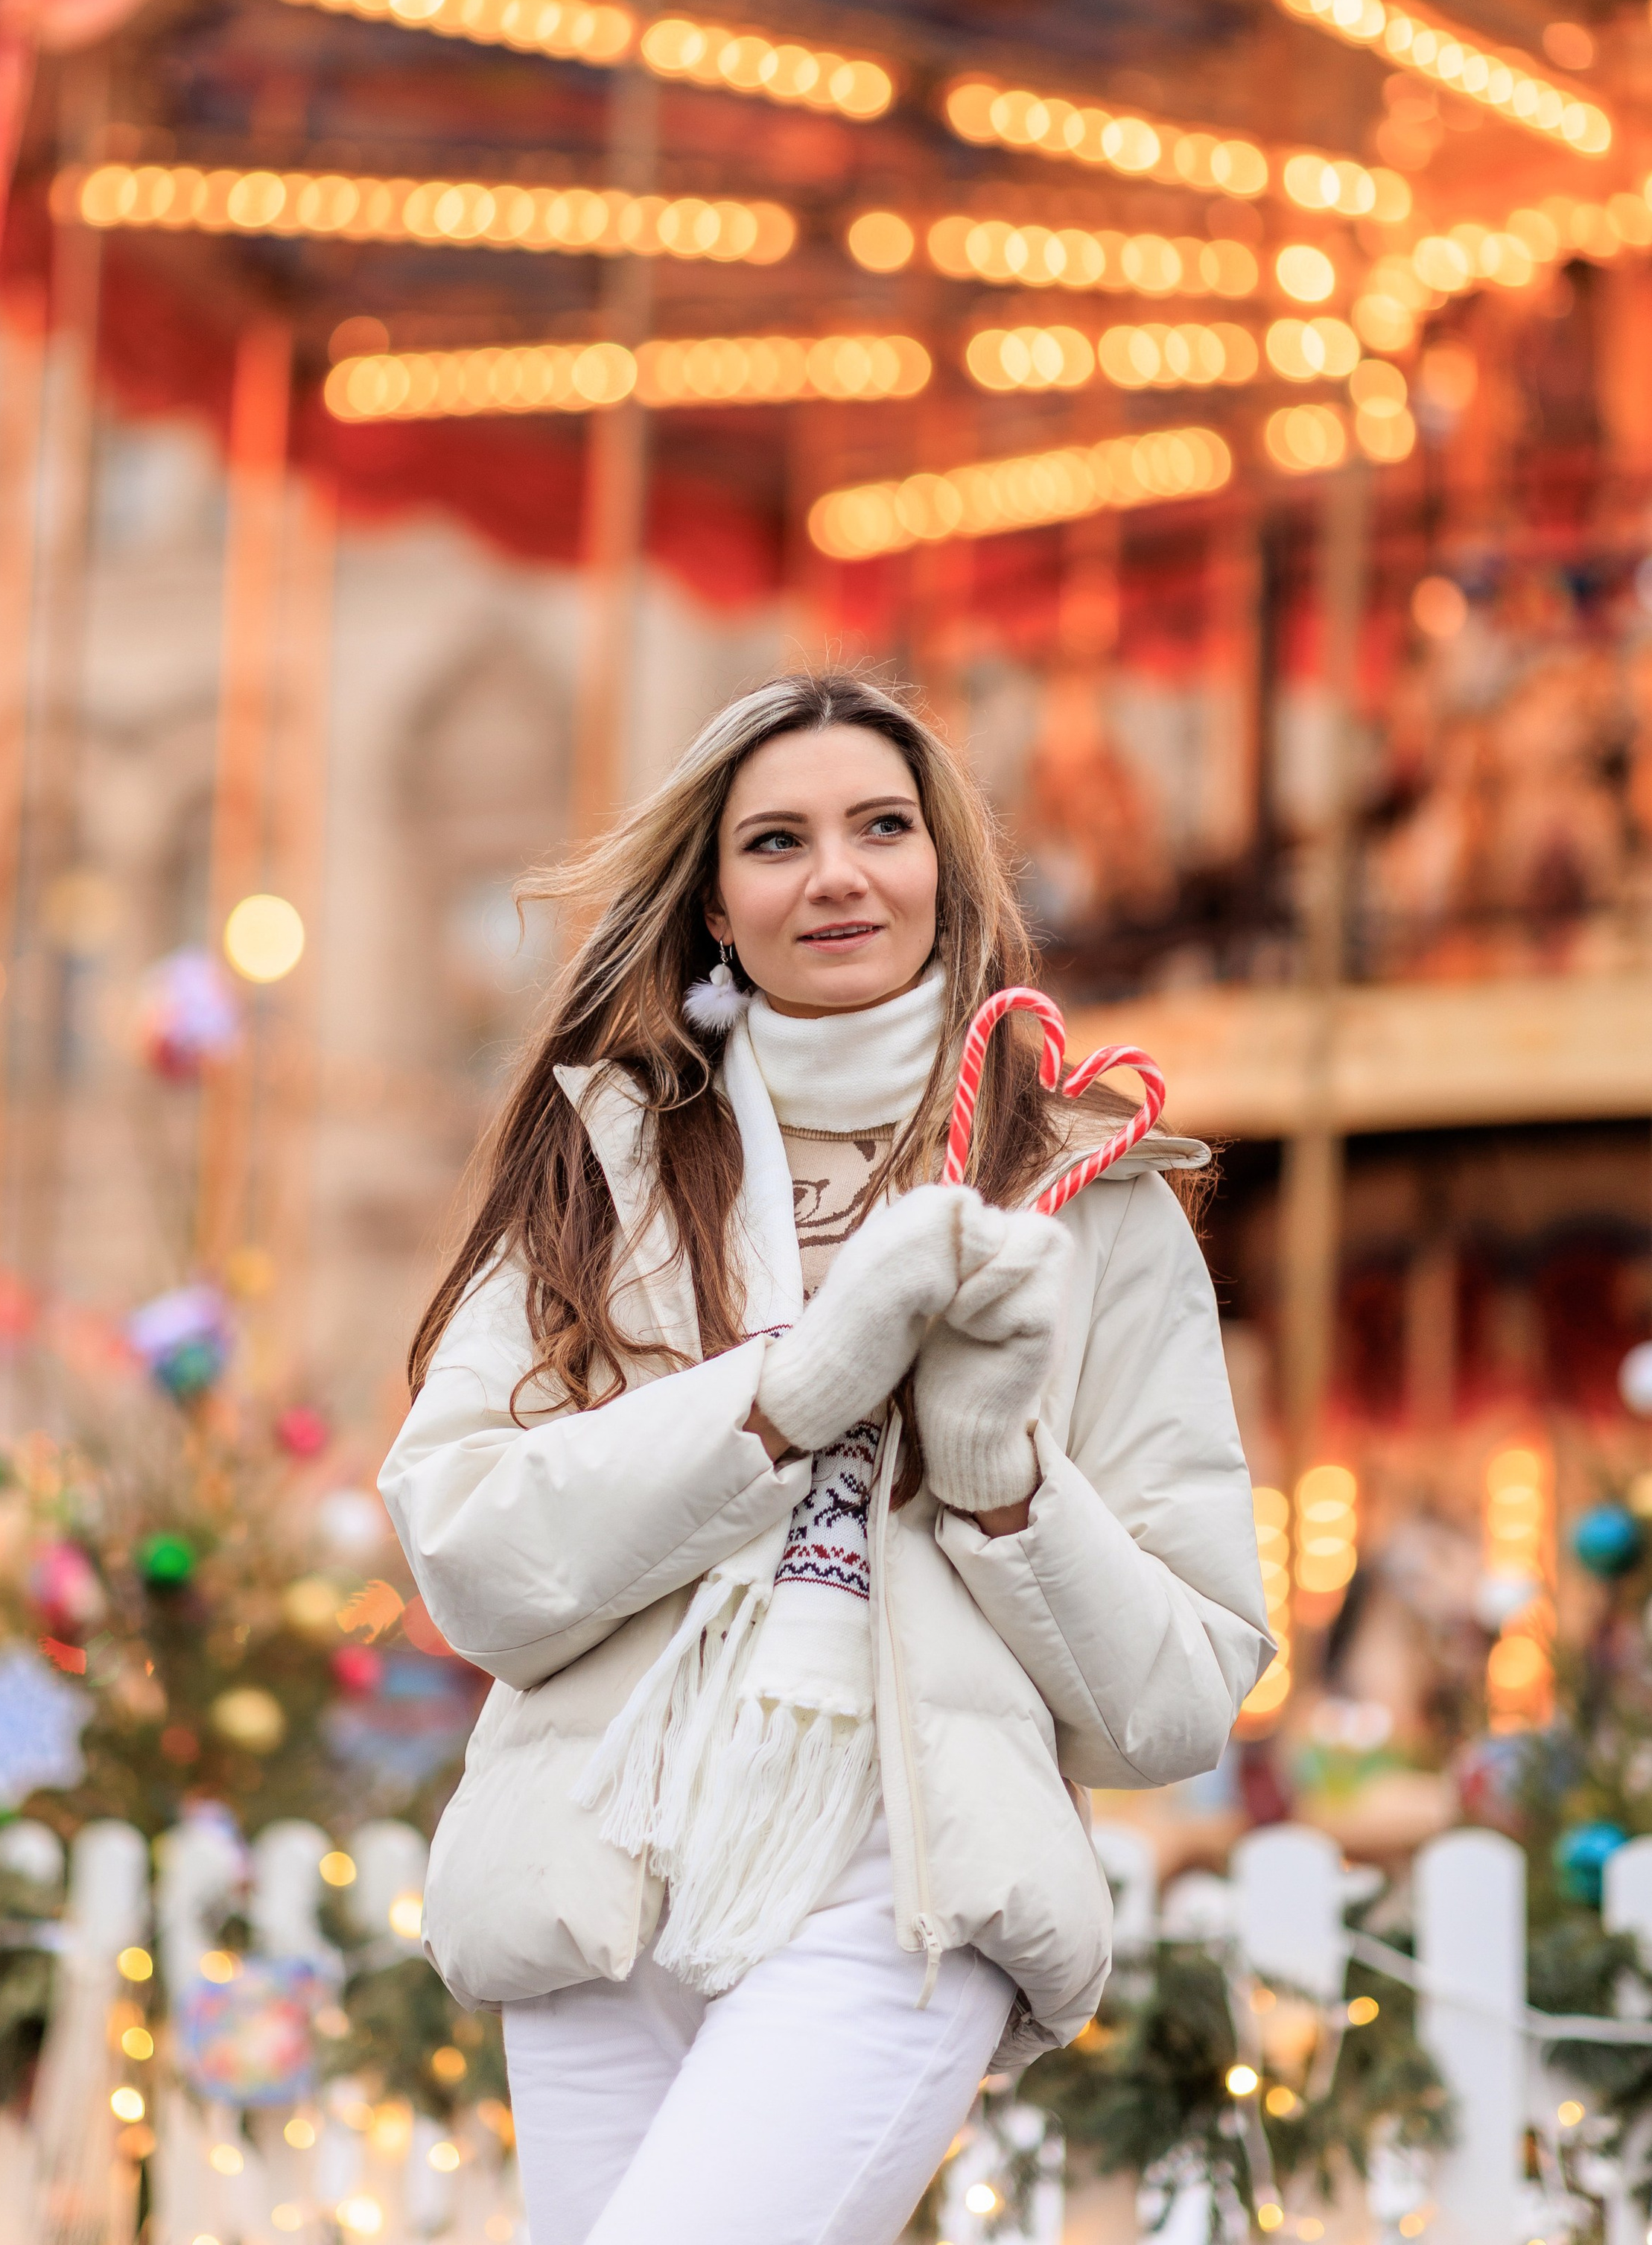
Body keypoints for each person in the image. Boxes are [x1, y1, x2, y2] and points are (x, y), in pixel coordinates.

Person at [381, 671, 1271, 2245]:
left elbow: (1174, 1699)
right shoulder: (606, 1168)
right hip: (608, 1864)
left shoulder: (1089, 1203)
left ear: (945, 870)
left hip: (897, 1873)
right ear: (717, 904)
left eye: (880, 826)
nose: (837, 872)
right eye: (775, 841)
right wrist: (786, 1396)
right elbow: (472, 1556)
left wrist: (998, 1475)